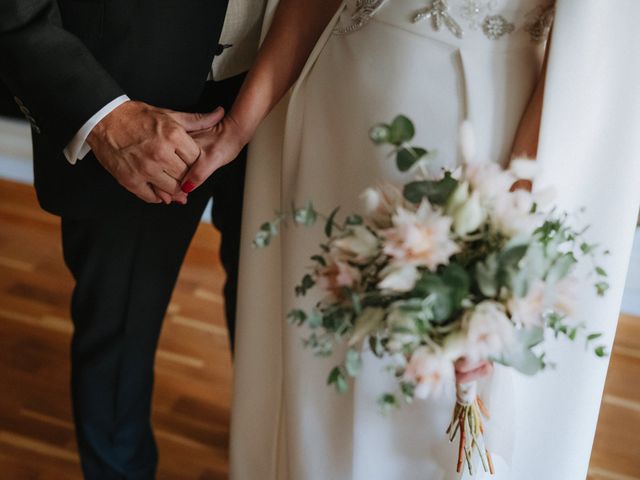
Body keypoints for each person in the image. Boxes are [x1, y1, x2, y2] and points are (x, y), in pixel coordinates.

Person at [180, 0, 640, 478]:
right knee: (314, 385)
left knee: (410, 406)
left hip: (469, 143)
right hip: (329, 114)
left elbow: (590, 62)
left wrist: (506, 239)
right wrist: (239, 127)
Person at [0, 0, 266, 477]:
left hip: (304, 84)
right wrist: (103, 117)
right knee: (118, 334)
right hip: (127, 92)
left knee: (275, 310)